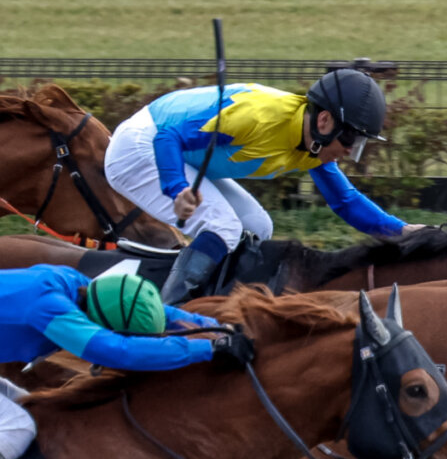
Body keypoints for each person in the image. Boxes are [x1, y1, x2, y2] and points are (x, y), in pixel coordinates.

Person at [102, 68, 417, 305]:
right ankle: (169, 317)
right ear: (324, 122)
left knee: (257, 226)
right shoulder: (259, 118)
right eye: (350, 139)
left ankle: (216, 303)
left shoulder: (314, 147)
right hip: (138, 148)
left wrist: (402, 232)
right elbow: (168, 135)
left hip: (181, 154)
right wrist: (176, 188)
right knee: (222, 226)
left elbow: (345, 202)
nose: (351, 151)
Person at [0, 268, 246, 459]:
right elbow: (115, 350)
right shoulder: (47, 305)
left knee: (32, 408)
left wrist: (220, 328)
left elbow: (162, 311)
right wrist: (210, 348)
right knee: (17, 428)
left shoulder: (82, 288)